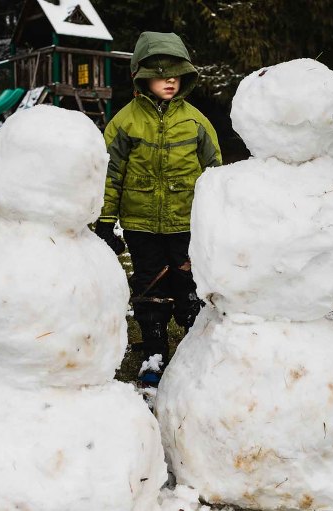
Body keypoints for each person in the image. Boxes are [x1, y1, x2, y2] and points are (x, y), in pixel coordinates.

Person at [94, 31, 222, 386]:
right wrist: (106, 222)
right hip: (141, 224)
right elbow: (109, 172)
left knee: (188, 285)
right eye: (158, 74)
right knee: (150, 285)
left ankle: (193, 351)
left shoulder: (197, 122)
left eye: (175, 74)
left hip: (186, 224)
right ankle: (154, 351)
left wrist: (216, 220)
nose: (168, 81)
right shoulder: (124, 122)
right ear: (140, 76)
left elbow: (215, 175)